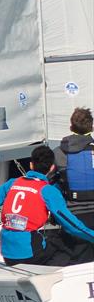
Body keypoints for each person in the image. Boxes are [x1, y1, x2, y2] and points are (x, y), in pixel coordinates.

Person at [0, 145, 94, 266]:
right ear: (52, 167)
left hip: (7, 255)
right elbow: (71, 225)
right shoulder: (47, 190)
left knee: (48, 240)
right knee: (69, 241)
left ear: (31, 165)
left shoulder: (12, 183)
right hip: (29, 255)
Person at [52, 107, 94, 264]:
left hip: (74, 215)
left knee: (80, 260)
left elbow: (49, 181)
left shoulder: (59, 152)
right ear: (91, 127)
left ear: (71, 127)